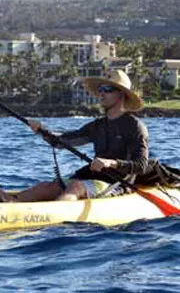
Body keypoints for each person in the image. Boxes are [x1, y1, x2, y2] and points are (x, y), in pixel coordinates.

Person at [14, 69, 149, 202]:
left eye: (107, 89)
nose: (101, 93)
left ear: (121, 94)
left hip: (117, 185)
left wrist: (111, 163)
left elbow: (141, 165)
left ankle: (56, 217)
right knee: (46, 187)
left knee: (76, 187)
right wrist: (42, 130)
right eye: (100, 89)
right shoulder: (97, 126)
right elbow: (62, 141)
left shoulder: (135, 127)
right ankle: (7, 204)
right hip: (92, 179)